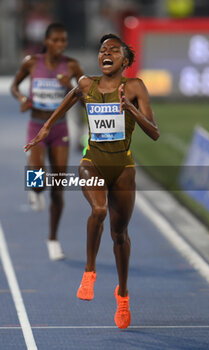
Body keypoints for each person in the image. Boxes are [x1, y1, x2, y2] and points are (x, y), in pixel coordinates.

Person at [24, 33, 160, 328]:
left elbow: (155, 132)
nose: (106, 53)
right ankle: (89, 271)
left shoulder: (134, 87)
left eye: (113, 50)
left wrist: (132, 110)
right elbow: (71, 97)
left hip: (123, 166)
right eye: (102, 50)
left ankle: (122, 294)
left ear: (125, 60)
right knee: (97, 210)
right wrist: (46, 127)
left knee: (119, 235)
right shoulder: (86, 83)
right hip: (92, 162)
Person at [11, 23, 83, 260]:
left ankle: (52, 239)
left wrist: (69, 87)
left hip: (59, 128)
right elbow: (14, 85)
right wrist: (22, 97)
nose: (60, 45)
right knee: (39, 179)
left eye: (63, 41)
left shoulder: (72, 66)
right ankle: (34, 182)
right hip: (36, 125)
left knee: (59, 188)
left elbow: (87, 99)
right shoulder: (32, 62)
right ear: (46, 41)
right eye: (56, 40)